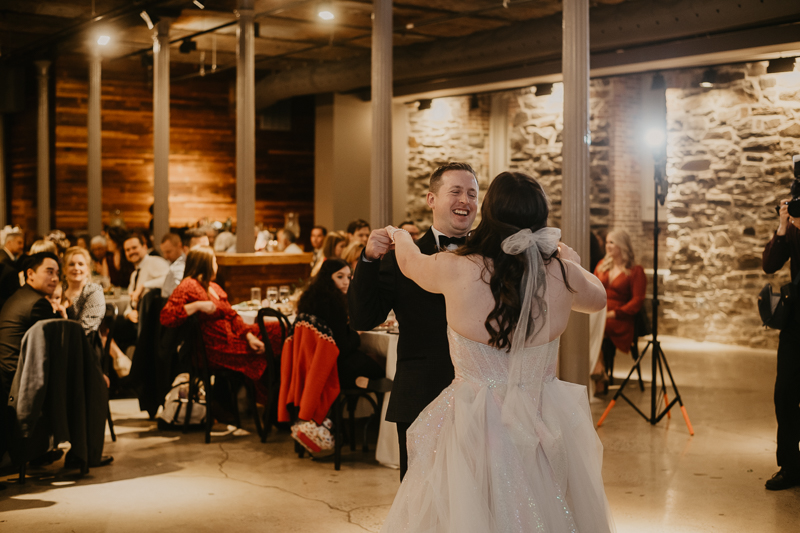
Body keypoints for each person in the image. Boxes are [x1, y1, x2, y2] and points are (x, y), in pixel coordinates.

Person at [379, 171, 613, 532]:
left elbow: (410, 263)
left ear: (488, 214)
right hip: (542, 415)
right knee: (545, 508)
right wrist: (570, 259)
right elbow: (599, 299)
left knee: (470, 509)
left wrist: (400, 235)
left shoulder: (456, 269)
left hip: (475, 419)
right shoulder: (563, 274)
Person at [349, 161, 479, 480]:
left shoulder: (491, 257)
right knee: (421, 498)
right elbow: (364, 317)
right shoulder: (401, 258)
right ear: (431, 199)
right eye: (456, 191)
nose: (466, 200)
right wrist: (367, 260)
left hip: (482, 398)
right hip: (421, 392)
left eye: (473, 194)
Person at [160, 246, 281, 405]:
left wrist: (249, 336)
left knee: (277, 329)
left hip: (231, 338)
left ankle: (271, 395)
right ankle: (270, 400)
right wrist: (197, 305)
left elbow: (232, 315)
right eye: (214, 261)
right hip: (213, 347)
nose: (216, 265)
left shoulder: (214, 286)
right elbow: (166, 316)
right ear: (206, 263)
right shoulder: (189, 284)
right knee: (269, 354)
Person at [762, 189, 800, 491]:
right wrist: (783, 228)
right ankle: (790, 466)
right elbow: (770, 265)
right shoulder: (793, 223)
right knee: (784, 392)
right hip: (796, 320)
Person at [297, 258, 384, 391]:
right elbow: (342, 347)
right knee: (380, 368)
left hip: (309, 361)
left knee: (371, 360)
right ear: (327, 278)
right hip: (331, 366)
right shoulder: (333, 303)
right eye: (340, 276)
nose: (346, 281)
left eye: (348, 277)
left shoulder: (311, 299)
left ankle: (360, 386)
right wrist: (357, 333)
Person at [0, 252, 61, 399]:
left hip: (7, 376)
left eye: (57, 273)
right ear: (30, 274)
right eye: (49, 272)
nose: (55, 279)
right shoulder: (38, 304)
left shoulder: (20, 295)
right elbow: (57, 344)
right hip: (17, 382)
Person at [591, 230, 646, 394]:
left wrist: (615, 313)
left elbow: (637, 301)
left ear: (622, 246)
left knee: (596, 328)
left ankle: (598, 372)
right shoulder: (602, 265)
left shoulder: (636, 271)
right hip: (599, 313)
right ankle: (599, 369)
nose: (608, 246)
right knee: (583, 325)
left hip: (620, 318)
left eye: (612, 242)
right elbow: (592, 289)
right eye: (607, 242)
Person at [112, 232, 169, 355]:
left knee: (110, 328)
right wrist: (128, 314)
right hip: (137, 319)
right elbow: (130, 302)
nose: (131, 252)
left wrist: (143, 286)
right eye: (127, 250)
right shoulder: (134, 274)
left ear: (144, 247)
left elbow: (169, 281)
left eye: (134, 248)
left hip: (151, 323)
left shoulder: (154, 262)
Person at [62, 247, 105, 334]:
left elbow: (87, 327)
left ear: (88, 269)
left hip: (84, 342)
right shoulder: (59, 290)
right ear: (64, 269)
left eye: (81, 264)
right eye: (71, 264)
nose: (76, 268)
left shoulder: (93, 291)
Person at [161, 229, 210, 299]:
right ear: (186, 250)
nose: (207, 252)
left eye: (207, 247)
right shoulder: (179, 269)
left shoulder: (204, 265)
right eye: (201, 248)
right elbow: (179, 300)